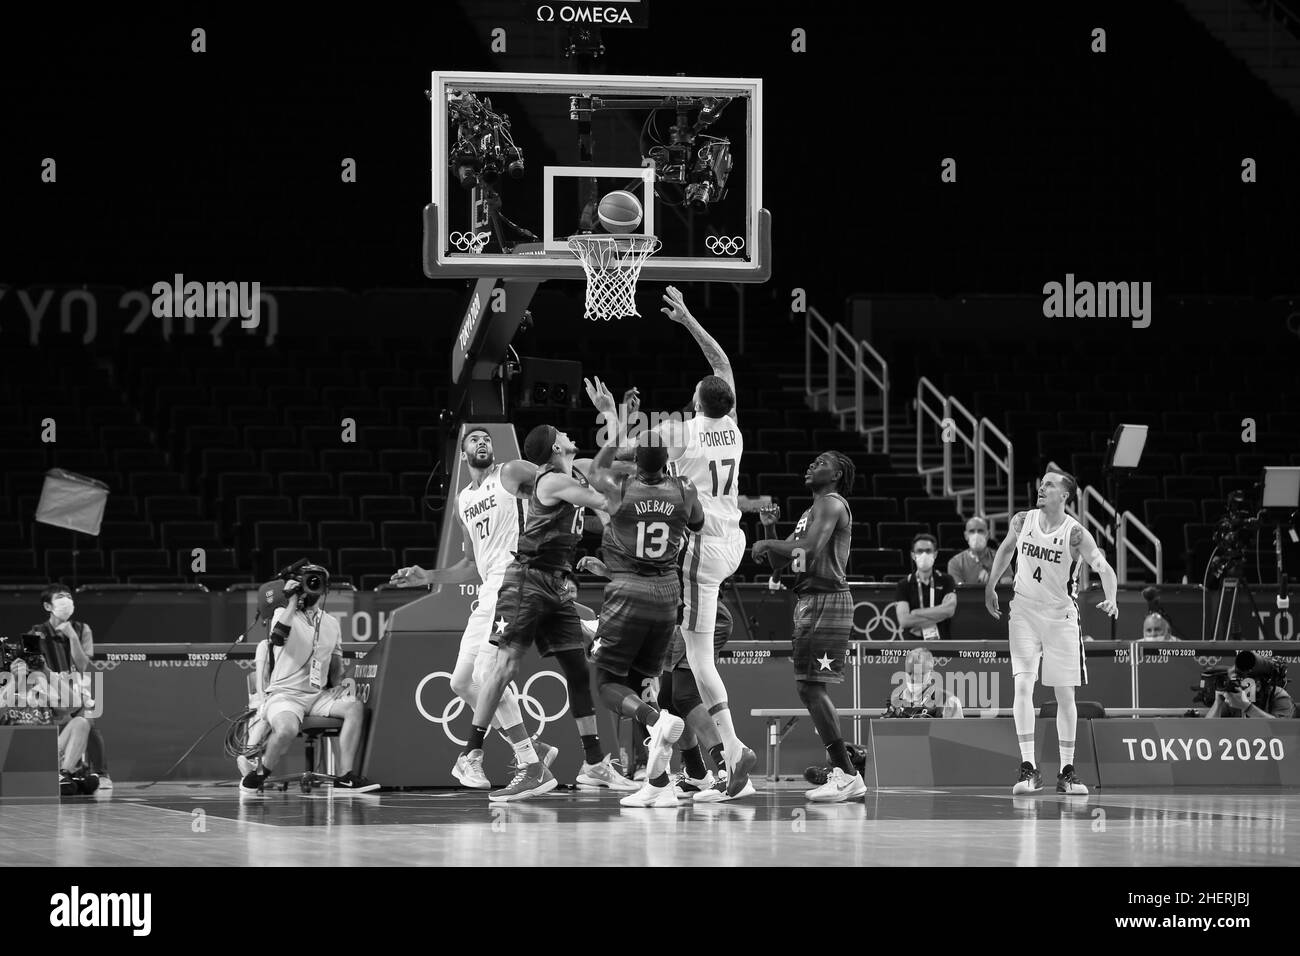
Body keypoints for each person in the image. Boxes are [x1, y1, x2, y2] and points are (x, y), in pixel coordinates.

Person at [461, 422, 635, 801]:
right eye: (563, 433)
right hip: (527, 579)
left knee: (577, 668)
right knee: (501, 667)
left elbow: (607, 464)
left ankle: (593, 764)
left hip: (557, 582)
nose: (570, 434)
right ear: (556, 446)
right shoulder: (551, 480)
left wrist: (610, 418)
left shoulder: (573, 468)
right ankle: (474, 752)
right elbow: (605, 498)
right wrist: (624, 494)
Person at [389, 427, 556, 789]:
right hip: (487, 590)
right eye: (474, 440)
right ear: (462, 453)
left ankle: (523, 761)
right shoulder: (463, 501)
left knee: (486, 675)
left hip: (513, 580)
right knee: (461, 682)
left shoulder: (510, 473)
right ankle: (533, 748)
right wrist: (427, 575)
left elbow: (553, 482)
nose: (482, 443)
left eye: (486, 440)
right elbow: (469, 563)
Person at [654, 285, 757, 799]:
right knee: (691, 651)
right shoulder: (732, 428)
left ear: (696, 401)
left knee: (698, 660)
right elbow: (719, 362)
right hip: (733, 537)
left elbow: (638, 458)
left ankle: (734, 749)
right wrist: (691, 319)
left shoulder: (680, 434)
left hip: (703, 549)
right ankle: (721, 755)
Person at [580, 398, 705, 807]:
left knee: (606, 684)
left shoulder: (621, 486)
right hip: (667, 594)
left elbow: (594, 469)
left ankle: (658, 722)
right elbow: (699, 522)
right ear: (667, 462)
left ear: (635, 464)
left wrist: (614, 423)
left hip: (628, 590)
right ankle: (659, 783)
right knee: (641, 686)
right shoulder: (684, 489)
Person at [985, 470, 1119, 796]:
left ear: (1065, 496)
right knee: (1022, 686)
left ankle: (1067, 771)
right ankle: (1029, 769)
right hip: (1024, 613)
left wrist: (1112, 596)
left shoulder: (1077, 534)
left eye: (1049, 485)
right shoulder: (1022, 521)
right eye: (1041, 482)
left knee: (1065, 695)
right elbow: (1004, 551)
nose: (1041, 488)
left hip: (1061, 617)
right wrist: (991, 584)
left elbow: (1103, 567)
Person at [752, 451, 866, 803]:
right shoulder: (809, 512)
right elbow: (780, 565)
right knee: (808, 688)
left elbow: (811, 549)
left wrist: (769, 541)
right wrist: (771, 530)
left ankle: (847, 773)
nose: (811, 466)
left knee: (812, 689)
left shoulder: (832, 504)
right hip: (809, 599)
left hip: (826, 597)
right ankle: (844, 770)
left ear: (837, 474)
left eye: (821, 463)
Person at [239, 567, 379, 793]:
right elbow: (277, 637)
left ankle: (345, 776)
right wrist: (291, 601)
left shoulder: (332, 624)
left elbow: (335, 665)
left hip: (317, 696)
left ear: (325, 589)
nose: (311, 586)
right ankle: (260, 773)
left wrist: (339, 686)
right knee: (286, 730)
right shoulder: (283, 614)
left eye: (316, 582)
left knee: (354, 707)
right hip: (285, 695)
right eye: (306, 581)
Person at [31, 586, 110, 789]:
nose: (66, 600)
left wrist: (72, 636)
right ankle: (63, 771)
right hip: (51, 688)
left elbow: (83, 664)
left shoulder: (83, 629)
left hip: (78, 686)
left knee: (88, 723)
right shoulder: (37, 632)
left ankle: (102, 774)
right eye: (60, 597)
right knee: (55, 727)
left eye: (68, 596)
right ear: (48, 605)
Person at [893, 534, 958, 639]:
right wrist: (940, 614)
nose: (924, 554)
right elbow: (904, 620)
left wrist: (917, 613)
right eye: (919, 551)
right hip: (914, 647)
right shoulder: (904, 584)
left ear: (935, 554)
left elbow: (949, 610)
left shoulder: (946, 580)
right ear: (913, 555)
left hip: (943, 644)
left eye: (928, 551)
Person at [884, 647, 964, 718]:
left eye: (918, 674)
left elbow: (957, 733)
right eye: (909, 673)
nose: (913, 678)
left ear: (931, 674)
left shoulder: (948, 701)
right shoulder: (895, 700)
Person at [1203, 667, 1294, 719]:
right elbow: (1207, 731)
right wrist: (1218, 702)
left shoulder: (1279, 695)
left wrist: (1247, 707)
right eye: (1237, 680)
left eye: (1245, 680)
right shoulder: (1234, 695)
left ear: (1258, 685)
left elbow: (1281, 730)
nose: (1239, 684)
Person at [947, 515, 1011, 586]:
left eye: (980, 531)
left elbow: (1006, 590)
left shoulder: (1002, 558)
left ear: (988, 534)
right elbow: (960, 592)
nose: (976, 535)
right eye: (972, 531)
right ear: (966, 535)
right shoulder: (955, 562)